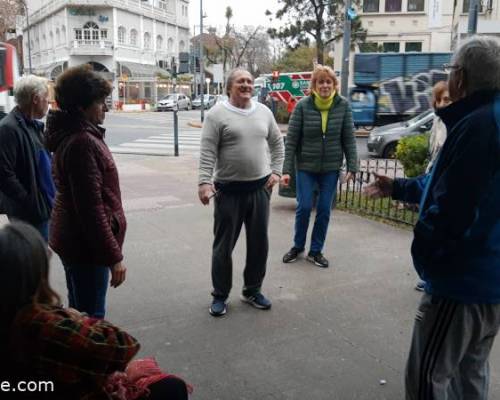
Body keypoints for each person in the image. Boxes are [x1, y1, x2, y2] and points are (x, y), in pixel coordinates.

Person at [364, 36, 500, 399]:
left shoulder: (478, 126)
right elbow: (444, 183)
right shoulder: (485, 119)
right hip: (488, 282)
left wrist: (427, 252)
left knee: (428, 377)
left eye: (452, 69)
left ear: (462, 77)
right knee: (470, 374)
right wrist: (399, 188)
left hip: (460, 284)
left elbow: (455, 210)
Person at [0, 222, 190, 400]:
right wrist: (78, 316)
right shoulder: (46, 325)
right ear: (34, 273)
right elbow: (124, 346)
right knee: (171, 387)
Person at [198, 68, 285, 317]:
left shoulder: (264, 112)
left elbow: (278, 144)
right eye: (240, 81)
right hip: (229, 191)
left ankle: (252, 290)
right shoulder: (217, 114)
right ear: (229, 87)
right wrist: (204, 182)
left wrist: (277, 171)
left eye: (249, 81)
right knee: (223, 247)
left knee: (259, 244)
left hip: (260, 190)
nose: (246, 84)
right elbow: (207, 152)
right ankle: (220, 295)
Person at [45, 65, 127, 319]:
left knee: (80, 310)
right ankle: (86, 358)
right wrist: (114, 257)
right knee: (91, 318)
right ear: (81, 107)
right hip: (86, 248)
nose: (105, 107)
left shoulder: (76, 135)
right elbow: (91, 209)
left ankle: (76, 355)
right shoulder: (82, 142)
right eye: (100, 102)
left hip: (75, 242)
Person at [281, 65, 358, 268]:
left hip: (331, 168)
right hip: (306, 166)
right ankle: (298, 246)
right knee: (304, 207)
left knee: (324, 209)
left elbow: (349, 138)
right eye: (320, 81)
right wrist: (287, 170)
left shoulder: (343, 106)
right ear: (314, 84)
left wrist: (353, 165)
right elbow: (291, 141)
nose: (324, 85)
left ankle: (315, 251)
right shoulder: (303, 106)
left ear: (334, 84)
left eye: (328, 81)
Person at [0, 75, 54, 241]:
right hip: (29, 213)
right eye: (47, 99)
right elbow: (4, 174)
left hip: (43, 206)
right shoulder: (8, 128)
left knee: (42, 256)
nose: (49, 104)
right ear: (36, 99)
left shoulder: (33, 125)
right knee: (34, 262)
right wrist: (29, 201)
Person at [414, 80, 452, 292]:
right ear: (436, 102)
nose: (447, 103)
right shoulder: (438, 122)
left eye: (450, 99)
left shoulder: (457, 124)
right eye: (443, 99)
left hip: (443, 181)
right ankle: (429, 274)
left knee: (436, 227)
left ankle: (434, 277)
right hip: (433, 175)